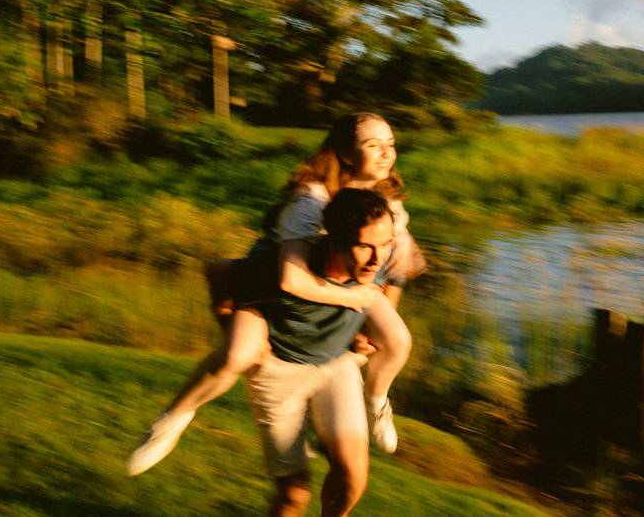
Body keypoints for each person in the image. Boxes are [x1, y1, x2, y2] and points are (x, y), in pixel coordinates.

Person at [128, 113, 423, 477]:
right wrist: (356, 301)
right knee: (238, 356)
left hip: (339, 291)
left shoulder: (388, 205)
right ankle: (172, 419)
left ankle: (376, 400)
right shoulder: (313, 198)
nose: (386, 154)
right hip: (265, 287)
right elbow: (290, 279)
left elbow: (395, 273)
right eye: (373, 145)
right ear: (346, 153)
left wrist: (369, 325)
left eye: (390, 144)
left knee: (397, 341)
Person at [247, 188, 397, 516]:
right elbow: (222, 277)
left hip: (335, 367)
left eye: (384, 244)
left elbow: (388, 285)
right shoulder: (289, 266)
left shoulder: (378, 261)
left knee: (353, 479)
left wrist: (365, 331)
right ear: (335, 243)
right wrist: (245, 336)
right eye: (364, 247)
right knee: (294, 496)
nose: (377, 257)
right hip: (279, 371)